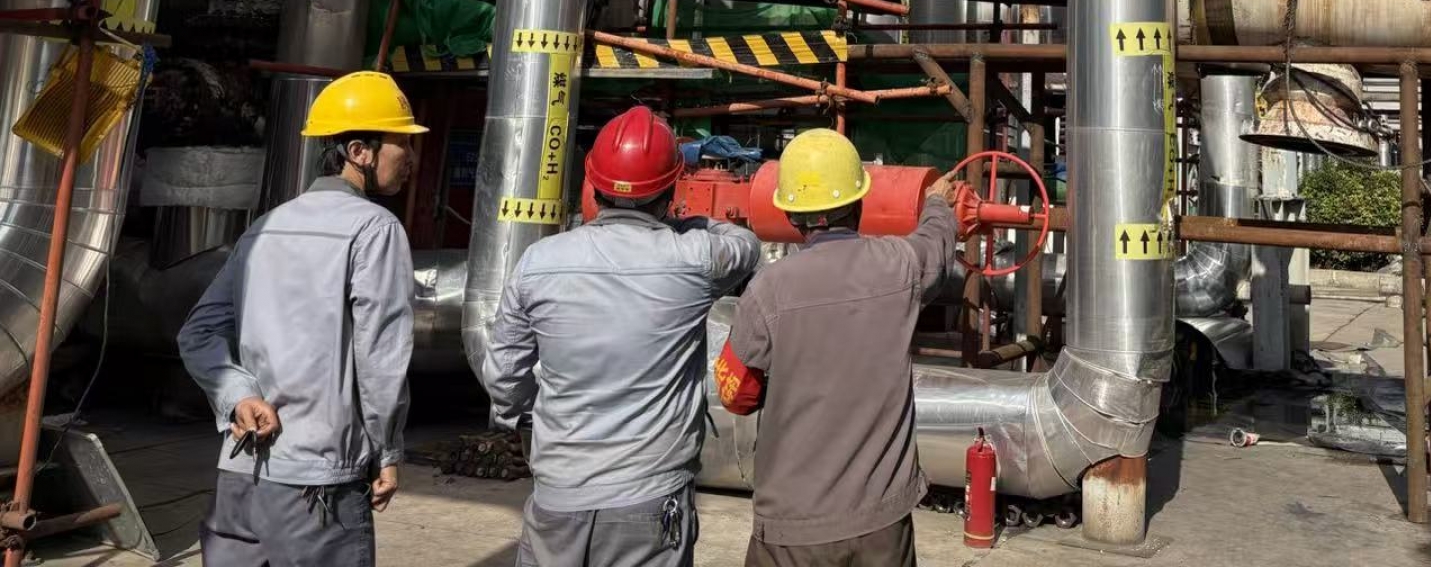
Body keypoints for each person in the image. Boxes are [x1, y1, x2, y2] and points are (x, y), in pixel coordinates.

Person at [485, 105, 761, 567]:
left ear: (593, 183)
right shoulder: (694, 257)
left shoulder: (538, 261)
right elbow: (746, 247)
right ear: (671, 190)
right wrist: (686, 222)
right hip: (650, 496)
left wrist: (528, 415)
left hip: (558, 494)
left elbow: (504, 377)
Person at [178, 70, 427, 566]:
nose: (411, 158)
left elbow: (198, 332)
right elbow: (380, 360)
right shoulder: (375, 229)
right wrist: (388, 452)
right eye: (402, 143)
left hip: (240, 481)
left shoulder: (265, 227)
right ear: (359, 151)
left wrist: (239, 396)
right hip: (319, 487)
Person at [714, 129, 959, 567]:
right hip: (881, 525)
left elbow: (736, 395)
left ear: (791, 215)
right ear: (860, 203)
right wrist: (938, 203)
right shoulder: (899, 265)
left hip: (792, 530)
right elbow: (936, 248)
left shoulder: (768, 289)